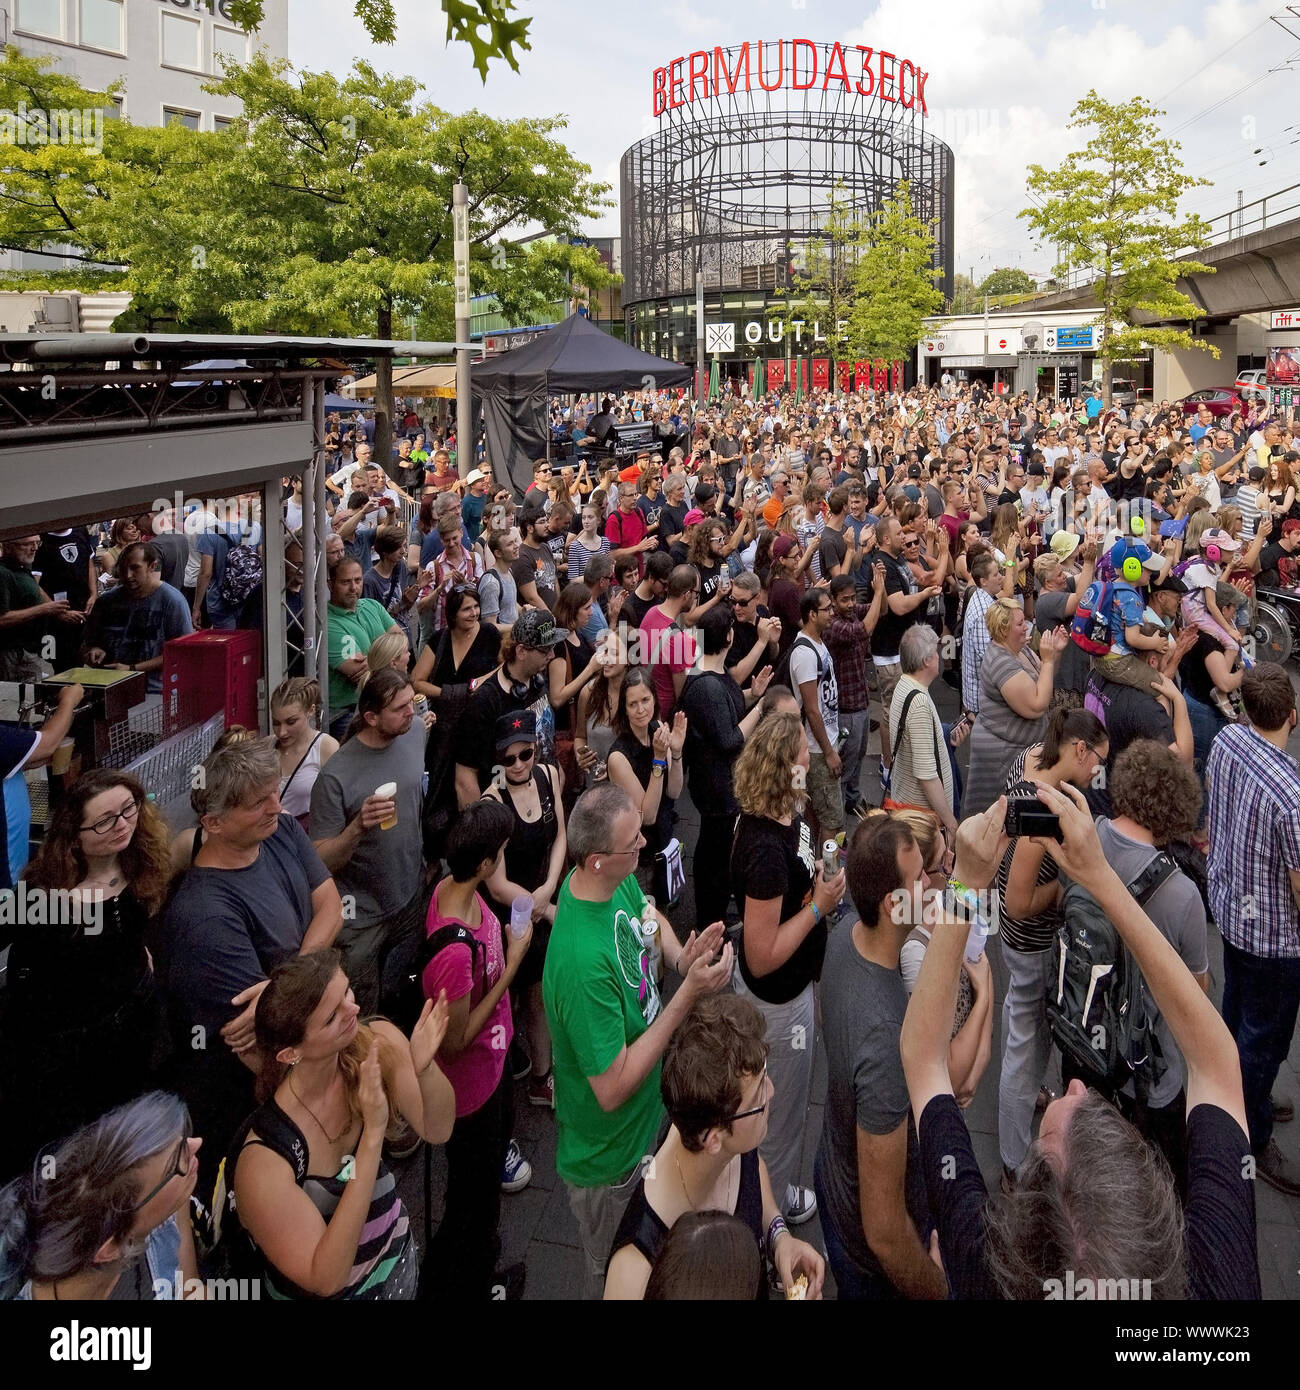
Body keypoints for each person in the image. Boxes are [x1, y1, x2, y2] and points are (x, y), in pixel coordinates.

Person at [902, 785, 1260, 1300]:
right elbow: (1218, 1062)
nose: (1074, 1085)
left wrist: (967, 883)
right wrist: (1101, 877)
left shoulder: (987, 1268)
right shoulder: (1216, 1291)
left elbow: (919, 1058)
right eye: (1091, 1107)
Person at [542, 783, 733, 1300]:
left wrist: (679, 958)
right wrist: (687, 995)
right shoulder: (582, 964)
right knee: (620, 1280)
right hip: (611, 1163)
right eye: (633, 842)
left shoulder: (607, 882)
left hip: (645, 1128)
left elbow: (647, 917)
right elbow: (612, 1086)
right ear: (598, 859)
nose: (645, 844)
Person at [161, 737, 344, 1193]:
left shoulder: (279, 830)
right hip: (254, 1112)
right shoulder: (204, 915)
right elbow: (258, 1048)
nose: (275, 807)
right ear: (213, 823)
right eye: (258, 802)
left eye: (275, 793)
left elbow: (333, 907)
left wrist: (282, 986)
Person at [231, 951, 454, 1300]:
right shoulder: (264, 1162)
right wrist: (373, 1134)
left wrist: (425, 1068)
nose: (354, 1010)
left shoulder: (374, 1044)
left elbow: (438, 1129)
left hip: (399, 1270)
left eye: (347, 993)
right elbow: (326, 1277)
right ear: (290, 1053)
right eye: (332, 1016)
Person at [0, 771, 171, 1180]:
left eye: (128, 810)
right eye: (104, 821)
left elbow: (133, 929)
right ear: (74, 837)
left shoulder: (140, 859)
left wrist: (137, 961)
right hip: (65, 1055)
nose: (122, 825)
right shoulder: (46, 895)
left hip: (133, 1031)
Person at [604, 993, 825, 1300]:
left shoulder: (730, 1140)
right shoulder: (637, 1268)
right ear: (713, 1140)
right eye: (759, 1091)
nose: (771, 1092)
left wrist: (779, 1236)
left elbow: (752, 1168)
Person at [814, 812, 945, 1300]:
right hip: (869, 1260)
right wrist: (938, 1289)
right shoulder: (887, 1040)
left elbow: (831, 1025)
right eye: (917, 879)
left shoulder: (846, 932)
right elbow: (886, 1231)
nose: (930, 885)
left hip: (832, 1173)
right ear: (892, 904)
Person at [730, 711, 845, 1230]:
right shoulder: (763, 850)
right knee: (780, 1116)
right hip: (778, 1004)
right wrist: (818, 907)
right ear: (786, 766)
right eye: (803, 753)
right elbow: (761, 954)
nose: (810, 758)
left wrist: (816, 880)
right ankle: (769, 1226)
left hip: (794, 989)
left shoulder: (785, 812)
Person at [421, 801, 532, 1299]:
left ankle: (479, 1267)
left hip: (496, 1063)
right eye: (501, 852)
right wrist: (512, 964)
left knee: (480, 1193)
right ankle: (461, 1282)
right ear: (485, 864)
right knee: (472, 1196)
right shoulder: (453, 951)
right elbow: (456, 1038)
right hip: (470, 1093)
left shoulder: (461, 891)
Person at [996, 708, 1109, 1188]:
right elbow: (1019, 901)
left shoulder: (1031, 759)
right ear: (1079, 750)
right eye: (1098, 761)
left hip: (1015, 942)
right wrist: (1067, 890)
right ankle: (1014, 1160)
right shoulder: (1045, 805)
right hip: (1030, 943)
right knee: (1025, 1043)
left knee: (1020, 1027)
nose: (1099, 772)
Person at [1206, 663, 1300, 1194]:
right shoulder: (1291, 796)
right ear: (1292, 714)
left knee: (1238, 1014)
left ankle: (1244, 1095)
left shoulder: (1226, 741)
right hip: (1274, 938)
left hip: (1231, 910)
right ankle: (1251, 1135)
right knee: (1262, 1037)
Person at [0, 1092, 202, 1301]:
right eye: (175, 1164)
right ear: (112, 1248)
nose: (196, 1143)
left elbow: (189, 1290)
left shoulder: (167, 1201)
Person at [309, 670, 427, 1017]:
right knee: (361, 1014)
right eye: (401, 707)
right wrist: (357, 826)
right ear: (371, 717)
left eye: (412, 702)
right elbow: (320, 862)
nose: (412, 711)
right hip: (360, 920)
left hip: (410, 900)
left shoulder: (415, 731)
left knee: (406, 992)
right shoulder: (335, 778)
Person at [483, 711, 568, 1110]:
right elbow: (496, 885)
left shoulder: (549, 776)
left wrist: (550, 889)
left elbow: (561, 838)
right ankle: (534, 1075)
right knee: (521, 994)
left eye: (526, 754)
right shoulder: (492, 801)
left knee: (539, 992)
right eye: (509, 758)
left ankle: (537, 1070)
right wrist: (541, 906)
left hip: (543, 901)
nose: (519, 765)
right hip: (511, 917)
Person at [679, 607, 774, 930]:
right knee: (713, 857)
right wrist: (761, 708)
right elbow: (730, 738)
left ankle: (716, 914)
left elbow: (728, 710)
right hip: (715, 787)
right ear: (729, 637)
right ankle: (710, 921)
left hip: (722, 783)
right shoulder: (707, 686)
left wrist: (752, 694)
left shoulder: (715, 676)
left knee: (719, 853)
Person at [893, 809, 993, 1108]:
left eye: (948, 846)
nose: (952, 860)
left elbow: (982, 959)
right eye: (942, 861)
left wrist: (979, 1066)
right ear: (917, 877)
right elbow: (947, 1071)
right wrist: (985, 996)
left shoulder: (955, 894)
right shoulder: (913, 952)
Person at [962, 599, 1067, 816]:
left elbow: (1043, 681)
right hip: (1003, 755)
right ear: (1003, 629)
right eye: (1020, 624)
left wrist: (1054, 654)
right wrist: (1047, 661)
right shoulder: (1001, 662)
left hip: (1018, 748)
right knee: (998, 816)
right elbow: (1037, 706)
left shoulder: (1020, 650)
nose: (1026, 627)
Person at [454, 610, 559, 804]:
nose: (552, 655)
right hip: (507, 813)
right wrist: (484, 825)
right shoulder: (485, 701)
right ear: (521, 652)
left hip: (544, 798)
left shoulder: (537, 681)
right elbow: (465, 777)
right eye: (545, 650)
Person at [607, 668, 685, 902]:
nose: (641, 710)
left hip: (664, 842)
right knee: (644, 921)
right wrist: (659, 759)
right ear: (624, 707)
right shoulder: (619, 757)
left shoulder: (658, 729)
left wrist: (677, 752)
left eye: (645, 700)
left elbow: (674, 791)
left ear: (655, 699)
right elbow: (647, 815)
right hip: (639, 856)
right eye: (632, 704)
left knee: (666, 906)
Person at [80, 542, 193, 693]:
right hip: (111, 687)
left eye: (135, 568)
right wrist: (93, 650)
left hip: (155, 691)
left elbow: (182, 652)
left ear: (152, 566)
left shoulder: (172, 601)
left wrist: (132, 669)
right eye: (123, 568)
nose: (128, 575)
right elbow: (87, 643)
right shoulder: (107, 601)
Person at [885, 625, 958, 840]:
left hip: (909, 810)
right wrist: (951, 823)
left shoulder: (905, 685)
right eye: (936, 652)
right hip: (922, 821)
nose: (939, 656)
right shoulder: (918, 702)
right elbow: (926, 776)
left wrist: (946, 741)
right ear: (926, 660)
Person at [788, 589, 843, 845]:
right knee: (831, 818)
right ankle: (828, 874)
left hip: (820, 744)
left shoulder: (818, 643)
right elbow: (811, 709)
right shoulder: (805, 654)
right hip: (816, 749)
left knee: (812, 813)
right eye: (827, 609)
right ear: (812, 614)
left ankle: (812, 870)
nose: (832, 613)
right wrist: (829, 751)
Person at [325, 556, 402, 739]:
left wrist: (372, 660)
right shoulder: (328, 623)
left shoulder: (372, 606)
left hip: (384, 704)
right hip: (348, 713)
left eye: (358, 580)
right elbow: (360, 675)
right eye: (345, 582)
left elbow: (402, 641)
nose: (354, 588)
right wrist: (391, 652)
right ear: (330, 584)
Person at [411, 584, 501, 701]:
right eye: (466, 609)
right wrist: (449, 693)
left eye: (476, 606)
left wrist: (482, 680)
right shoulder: (438, 639)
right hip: (444, 714)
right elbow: (416, 681)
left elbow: (506, 665)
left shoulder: (489, 633)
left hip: (481, 710)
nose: (474, 613)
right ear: (453, 614)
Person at [271, 678, 338, 832]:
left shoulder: (327, 748)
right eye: (276, 723)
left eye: (291, 722)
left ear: (311, 710)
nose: (282, 732)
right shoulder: (266, 746)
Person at [639, 564, 699, 718]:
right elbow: (681, 692)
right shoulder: (679, 640)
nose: (695, 600)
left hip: (646, 703)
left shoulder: (651, 612)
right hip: (663, 716)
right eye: (696, 594)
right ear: (686, 595)